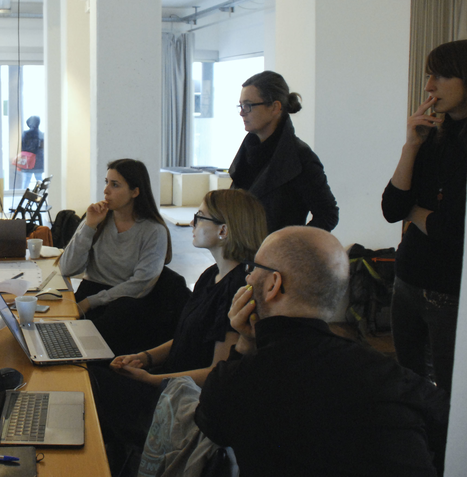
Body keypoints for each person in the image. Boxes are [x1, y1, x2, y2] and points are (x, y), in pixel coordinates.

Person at [195, 226, 449, 477]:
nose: (248, 278)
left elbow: (212, 425)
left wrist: (244, 344)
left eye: (253, 269)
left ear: (273, 284)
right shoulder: (392, 376)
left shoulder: (235, 382)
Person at [91, 189, 267, 475]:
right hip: (169, 384)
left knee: (93, 384)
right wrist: (145, 357)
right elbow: (187, 336)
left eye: (200, 217)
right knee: (94, 372)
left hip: (186, 403)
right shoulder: (210, 276)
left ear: (223, 231)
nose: (193, 223)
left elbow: (217, 372)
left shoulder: (237, 290)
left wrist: (152, 379)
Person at [382, 39, 467, 395]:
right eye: (428, 76)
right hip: (407, 278)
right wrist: (411, 145)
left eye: (441, 76)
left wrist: (416, 212)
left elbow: (453, 229)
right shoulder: (432, 137)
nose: (429, 87)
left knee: (450, 393)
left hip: (450, 290)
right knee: (408, 385)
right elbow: (392, 209)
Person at [59, 158, 172, 353]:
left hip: (124, 303)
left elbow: (141, 284)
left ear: (135, 192)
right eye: (106, 182)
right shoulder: (98, 219)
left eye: (115, 184)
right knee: (57, 333)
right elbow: (67, 268)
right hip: (90, 292)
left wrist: (90, 302)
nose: (106, 190)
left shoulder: (153, 231)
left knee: (76, 344)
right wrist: (89, 226)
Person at [228, 70, 339, 233]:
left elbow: (328, 214)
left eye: (248, 105)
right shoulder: (248, 151)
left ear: (275, 107)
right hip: (240, 247)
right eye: (241, 105)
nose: (242, 112)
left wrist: (288, 243)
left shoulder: (301, 157)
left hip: (275, 249)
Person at [18, 115, 44, 188]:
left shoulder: (26, 134)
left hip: (28, 160)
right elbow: (42, 148)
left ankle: (24, 193)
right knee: (39, 179)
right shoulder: (41, 134)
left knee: (27, 179)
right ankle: (42, 192)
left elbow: (23, 147)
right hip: (38, 160)